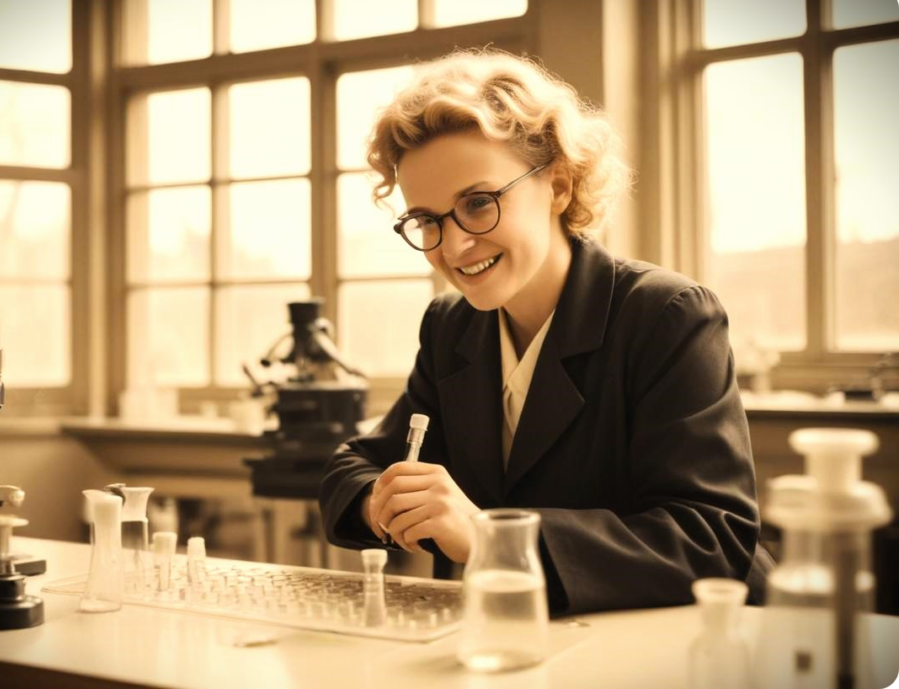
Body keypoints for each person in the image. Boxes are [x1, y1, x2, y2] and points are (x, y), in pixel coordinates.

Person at [318, 48, 772, 615]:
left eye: (478, 204)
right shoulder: (450, 327)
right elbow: (353, 467)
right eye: (427, 220)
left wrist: (488, 537)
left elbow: (711, 540)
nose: (453, 247)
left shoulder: (668, 314)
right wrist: (380, 503)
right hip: (517, 644)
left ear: (558, 186)